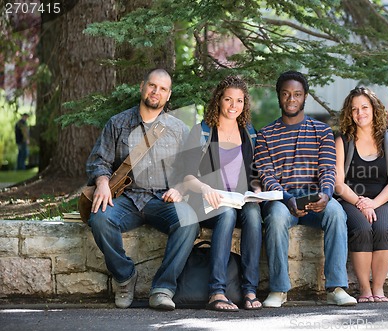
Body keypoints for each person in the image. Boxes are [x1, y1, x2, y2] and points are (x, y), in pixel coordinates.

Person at [85, 68, 199, 310]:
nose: (156, 92)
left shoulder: (179, 129)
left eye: (163, 89)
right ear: (142, 86)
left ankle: (163, 288)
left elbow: (190, 169)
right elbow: (99, 161)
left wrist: (180, 189)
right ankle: (125, 278)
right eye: (152, 85)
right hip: (126, 200)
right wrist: (103, 184)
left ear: (169, 95)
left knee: (189, 221)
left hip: (163, 201)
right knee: (100, 219)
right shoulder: (118, 123)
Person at [254, 70, 357, 308]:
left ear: (305, 97)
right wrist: (287, 197)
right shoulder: (266, 135)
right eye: (286, 94)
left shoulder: (321, 131)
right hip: (282, 200)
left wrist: (326, 194)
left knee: (335, 212)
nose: (291, 99)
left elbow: (328, 170)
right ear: (278, 96)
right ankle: (279, 290)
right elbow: (266, 175)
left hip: (315, 199)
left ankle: (336, 287)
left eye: (297, 94)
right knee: (277, 218)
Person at [181, 76, 263, 312]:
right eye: (228, 99)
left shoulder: (249, 133)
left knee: (254, 214)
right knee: (226, 214)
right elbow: (186, 177)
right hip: (207, 201)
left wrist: (256, 191)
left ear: (244, 103)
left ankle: (249, 289)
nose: (233, 106)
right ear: (218, 100)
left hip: (239, 200)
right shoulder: (202, 131)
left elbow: (254, 175)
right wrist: (206, 188)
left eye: (239, 100)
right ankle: (217, 291)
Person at [334, 87, 388, 303]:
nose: (360, 113)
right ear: (349, 113)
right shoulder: (343, 141)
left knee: (383, 229)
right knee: (362, 229)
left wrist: (374, 203)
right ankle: (364, 289)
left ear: (374, 109)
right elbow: (338, 184)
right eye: (354, 109)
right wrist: (361, 204)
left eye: (364, 107)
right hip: (350, 201)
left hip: (380, 200)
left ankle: (378, 288)